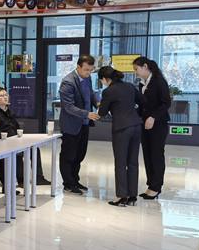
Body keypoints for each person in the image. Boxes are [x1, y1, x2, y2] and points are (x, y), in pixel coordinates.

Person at [97, 66, 144, 207]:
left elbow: (102, 112)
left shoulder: (108, 91)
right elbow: (142, 101)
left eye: (101, 80)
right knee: (133, 162)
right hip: (136, 125)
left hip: (122, 128)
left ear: (105, 79)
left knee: (121, 163)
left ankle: (121, 196)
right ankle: (132, 196)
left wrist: (101, 106)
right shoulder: (129, 86)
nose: (102, 83)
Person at [0, 87, 50, 191]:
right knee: (17, 152)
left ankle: (39, 177)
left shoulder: (9, 111)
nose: (5, 97)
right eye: (2, 95)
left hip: (15, 139)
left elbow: (16, 126)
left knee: (34, 149)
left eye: (6, 95)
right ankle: (21, 179)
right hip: (4, 143)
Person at [58, 55, 100, 195]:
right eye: (86, 70)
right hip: (71, 125)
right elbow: (68, 107)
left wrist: (98, 103)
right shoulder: (68, 82)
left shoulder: (87, 78)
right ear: (78, 67)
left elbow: (91, 93)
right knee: (68, 155)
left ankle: (75, 180)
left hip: (84, 123)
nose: (89, 73)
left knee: (79, 155)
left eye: (91, 70)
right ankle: (68, 184)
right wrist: (87, 114)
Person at [134, 56, 172, 200]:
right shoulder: (142, 84)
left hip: (158, 124)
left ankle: (156, 187)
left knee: (156, 155)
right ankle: (150, 185)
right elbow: (143, 104)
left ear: (145, 66)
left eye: (136, 69)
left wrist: (153, 117)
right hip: (145, 123)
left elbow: (166, 103)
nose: (136, 72)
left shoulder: (159, 81)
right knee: (147, 154)